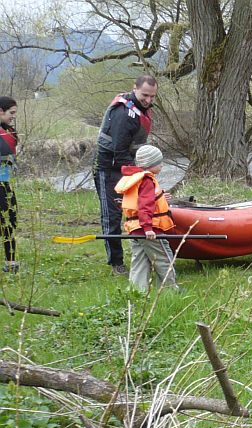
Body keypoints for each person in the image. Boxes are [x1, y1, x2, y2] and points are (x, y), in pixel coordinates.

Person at [93, 75, 158, 277]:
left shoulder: (141, 110)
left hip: (127, 168)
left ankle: (144, 254)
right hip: (109, 169)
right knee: (112, 216)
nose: (148, 100)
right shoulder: (124, 114)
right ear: (135, 89)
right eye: (145, 95)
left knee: (139, 210)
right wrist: (140, 174)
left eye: (152, 97)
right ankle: (116, 263)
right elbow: (119, 151)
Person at [114, 144, 178, 293]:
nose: (162, 165)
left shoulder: (135, 178)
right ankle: (170, 291)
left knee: (140, 262)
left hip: (135, 230)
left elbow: (140, 200)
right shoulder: (147, 180)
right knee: (164, 259)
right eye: (159, 163)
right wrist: (148, 228)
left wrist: (161, 197)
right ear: (150, 165)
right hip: (150, 229)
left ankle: (137, 292)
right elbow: (145, 205)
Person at [0, 96, 18, 274]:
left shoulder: (9, 132)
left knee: (9, 222)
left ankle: (11, 263)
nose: (13, 116)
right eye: (11, 113)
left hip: (6, 184)